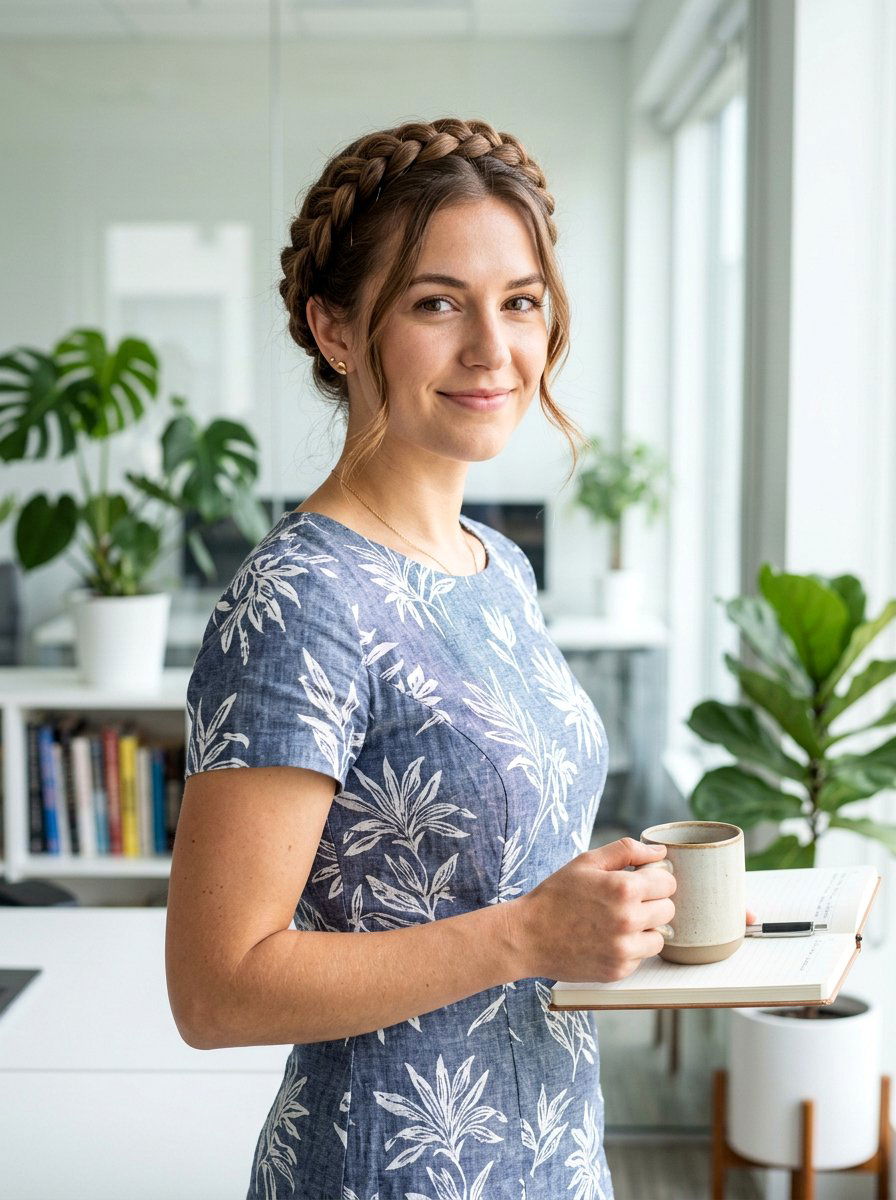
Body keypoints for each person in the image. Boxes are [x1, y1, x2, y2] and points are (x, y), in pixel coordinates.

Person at [165, 116, 757, 1200]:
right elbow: (217, 990)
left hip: (551, 1154)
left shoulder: (497, 566)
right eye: (437, 303)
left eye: (520, 301)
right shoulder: (299, 600)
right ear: (336, 329)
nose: (492, 348)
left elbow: (494, 869)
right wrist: (527, 934)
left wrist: (622, 906)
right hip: (383, 1171)